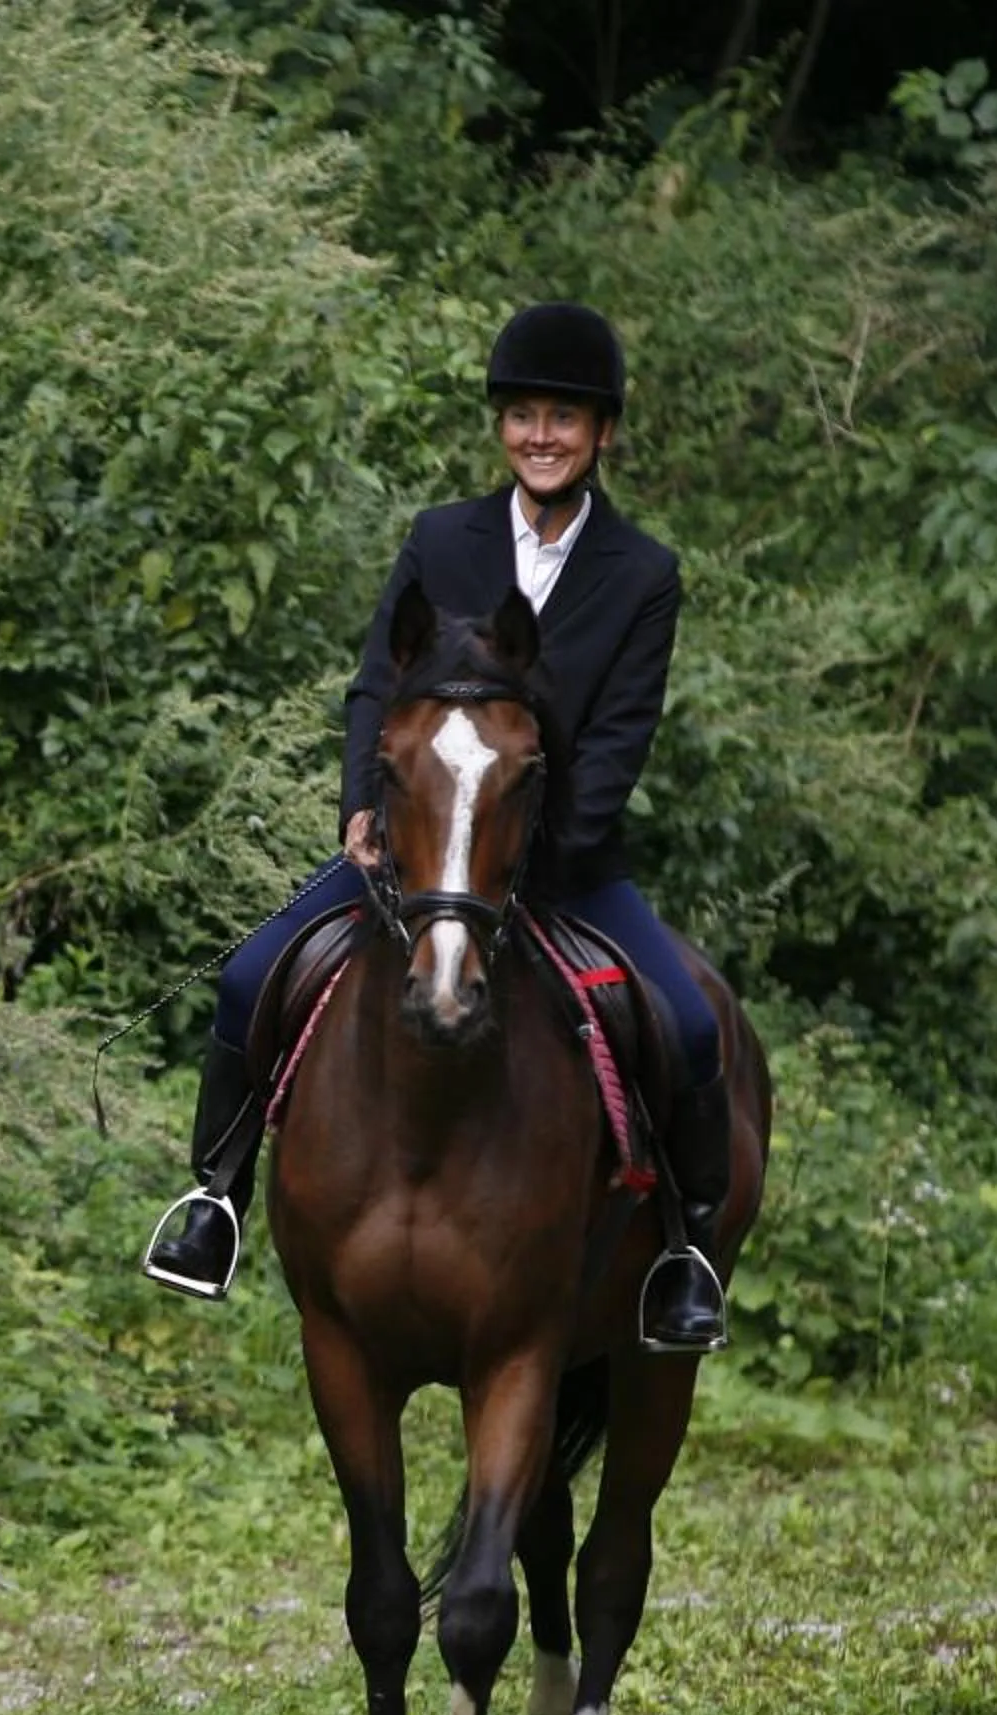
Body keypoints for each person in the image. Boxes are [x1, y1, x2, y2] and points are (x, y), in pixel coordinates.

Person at [139, 302, 734, 1353]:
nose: (541, 435)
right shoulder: (439, 538)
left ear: (601, 433)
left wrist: (524, 852)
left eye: (564, 417)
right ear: (501, 425)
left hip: (561, 863)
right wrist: (363, 810)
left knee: (687, 1025)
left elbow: (616, 741)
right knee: (249, 976)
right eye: (522, 415)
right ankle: (216, 1202)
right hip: (417, 853)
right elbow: (379, 687)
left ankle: (683, 1253)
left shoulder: (643, 575)